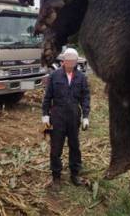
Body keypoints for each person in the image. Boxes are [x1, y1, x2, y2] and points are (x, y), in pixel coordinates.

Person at [42, 48, 90, 190]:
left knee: (75, 146)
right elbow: (47, 97)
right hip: (57, 116)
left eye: (73, 62)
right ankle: (56, 177)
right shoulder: (55, 76)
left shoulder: (81, 77)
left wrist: (86, 116)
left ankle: (75, 174)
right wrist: (45, 115)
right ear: (63, 61)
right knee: (56, 147)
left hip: (74, 116)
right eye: (68, 61)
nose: (71, 64)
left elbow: (85, 97)